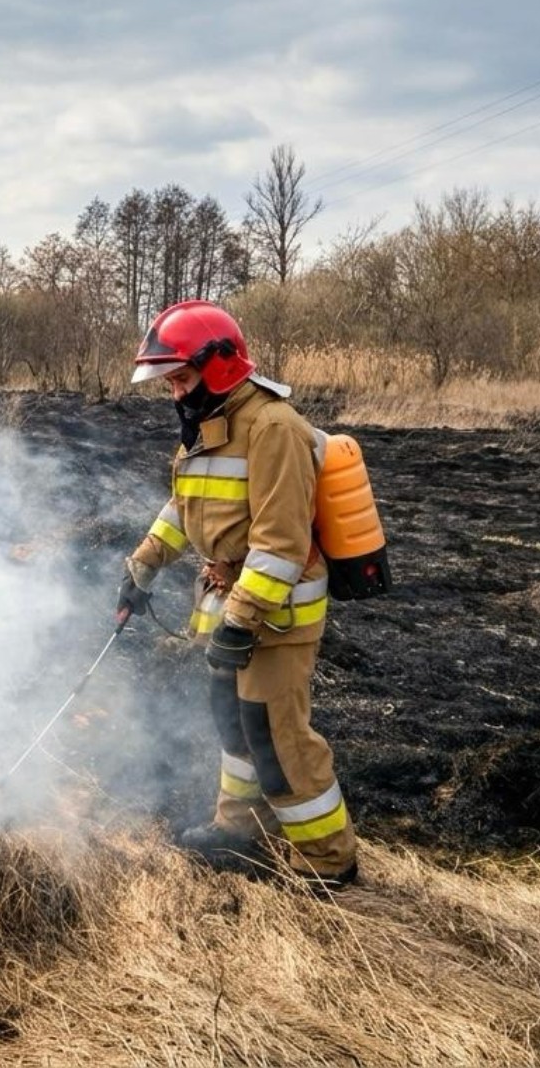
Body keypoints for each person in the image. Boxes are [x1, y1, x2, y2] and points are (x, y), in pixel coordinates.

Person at [117, 300, 358, 890]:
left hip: (276, 616)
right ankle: (239, 827)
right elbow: (185, 508)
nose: (174, 392)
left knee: (277, 736)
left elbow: (280, 544)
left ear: (218, 365)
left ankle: (328, 862)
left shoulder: (273, 428)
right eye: (169, 381)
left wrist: (240, 622)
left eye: (180, 378)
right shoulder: (209, 424)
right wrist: (141, 568)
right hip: (231, 606)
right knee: (235, 726)